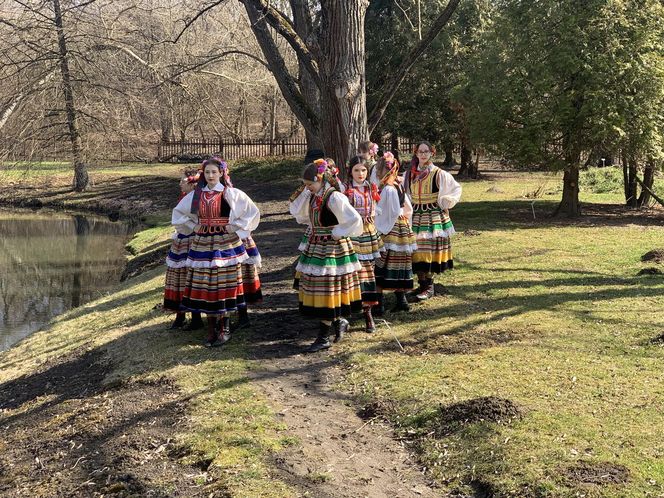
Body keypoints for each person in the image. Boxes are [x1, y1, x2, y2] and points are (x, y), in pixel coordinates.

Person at [172, 157, 260, 347]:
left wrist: (235, 226)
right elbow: (178, 214)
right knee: (206, 284)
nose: (211, 176)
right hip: (202, 243)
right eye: (207, 172)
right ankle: (211, 328)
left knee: (224, 284)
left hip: (225, 244)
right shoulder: (196, 195)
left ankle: (224, 328)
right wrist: (192, 226)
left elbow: (251, 212)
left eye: (214, 172)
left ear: (222, 173)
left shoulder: (231, 193)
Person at [289, 160, 363, 352]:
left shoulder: (334, 197)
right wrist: (306, 191)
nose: (307, 188)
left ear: (320, 179)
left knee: (329, 288)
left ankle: (323, 336)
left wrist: (338, 232)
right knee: (325, 288)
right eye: (305, 185)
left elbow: (354, 219)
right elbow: (298, 213)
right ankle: (338, 322)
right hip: (316, 245)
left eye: (309, 184)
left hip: (332, 248)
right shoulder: (314, 195)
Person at [404, 141, 462, 300]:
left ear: (431, 153)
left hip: (432, 216)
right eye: (420, 152)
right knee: (416, 252)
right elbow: (405, 193)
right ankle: (421, 284)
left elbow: (456, 189)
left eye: (426, 151)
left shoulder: (438, 173)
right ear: (416, 154)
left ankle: (429, 286)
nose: (423, 154)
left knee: (427, 251)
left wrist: (447, 201)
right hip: (415, 216)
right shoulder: (410, 174)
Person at [373, 152, 416, 312]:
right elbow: (408, 208)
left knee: (382, 264)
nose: (377, 174)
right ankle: (401, 300)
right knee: (400, 264)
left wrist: (378, 227)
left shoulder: (389, 189)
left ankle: (379, 304)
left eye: (378, 170)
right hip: (402, 227)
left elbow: (387, 212)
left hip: (389, 228)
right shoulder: (398, 185)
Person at [344, 156, 383, 332]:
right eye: (357, 170)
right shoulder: (345, 190)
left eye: (364, 170)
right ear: (350, 171)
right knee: (351, 272)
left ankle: (368, 313)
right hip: (352, 234)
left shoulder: (371, 187)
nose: (360, 174)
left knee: (368, 272)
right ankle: (346, 312)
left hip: (368, 233)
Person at [163, 167, 204, 330]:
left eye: (182, 180)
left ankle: (195, 317)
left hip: (193, 240)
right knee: (180, 276)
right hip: (183, 240)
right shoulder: (186, 198)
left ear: (192, 183)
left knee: (190, 275)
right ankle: (181, 314)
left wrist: (192, 227)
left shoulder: (196, 197)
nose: (180, 183)